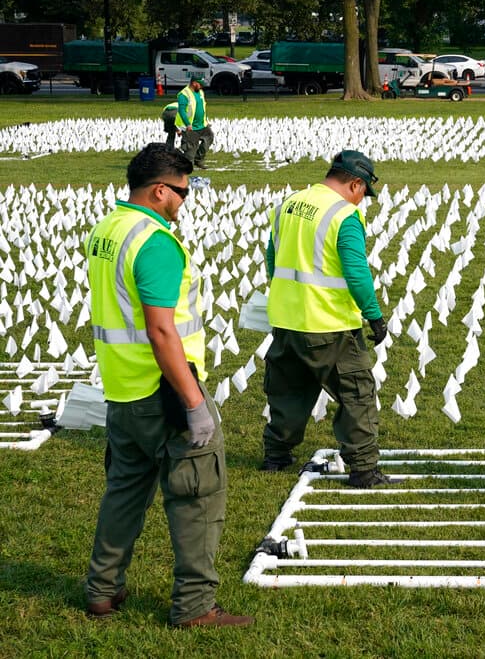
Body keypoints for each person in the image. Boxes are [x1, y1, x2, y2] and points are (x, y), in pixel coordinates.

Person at [85, 143, 252, 628]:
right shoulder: (155, 242)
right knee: (197, 495)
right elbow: (161, 330)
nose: (184, 201)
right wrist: (194, 402)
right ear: (159, 190)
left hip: (122, 389)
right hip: (164, 392)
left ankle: (102, 590)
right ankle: (195, 606)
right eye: (182, 191)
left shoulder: (109, 229)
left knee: (123, 492)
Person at [260, 149, 399, 489]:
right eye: (363, 193)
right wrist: (374, 316)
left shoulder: (288, 204)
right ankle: (364, 469)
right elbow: (356, 271)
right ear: (355, 184)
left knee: (289, 391)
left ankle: (276, 455)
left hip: (286, 320)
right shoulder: (344, 215)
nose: (361, 201)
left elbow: (272, 257)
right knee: (357, 393)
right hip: (330, 325)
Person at [177, 77, 213, 169]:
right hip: (191, 127)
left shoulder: (200, 92)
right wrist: (187, 124)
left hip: (202, 125)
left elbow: (202, 108)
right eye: (200, 84)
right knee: (190, 151)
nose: (201, 86)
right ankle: (186, 165)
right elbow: (181, 111)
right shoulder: (183, 94)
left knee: (209, 138)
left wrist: (205, 121)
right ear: (194, 83)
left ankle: (198, 159)